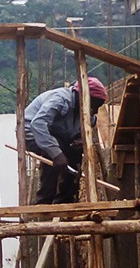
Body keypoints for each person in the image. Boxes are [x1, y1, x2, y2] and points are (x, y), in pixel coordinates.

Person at [22, 76, 107, 204]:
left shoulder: (86, 113)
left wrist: (81, 140)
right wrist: (56, 154)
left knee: (75, 152)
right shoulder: (60, 99)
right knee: (55, 150)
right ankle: (44, 201)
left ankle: (65, 200)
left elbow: (89, 128)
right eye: (94, 105)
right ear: (83, 97)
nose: (94, 110)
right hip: (31, 133)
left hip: (56, 136)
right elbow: (38, 124)